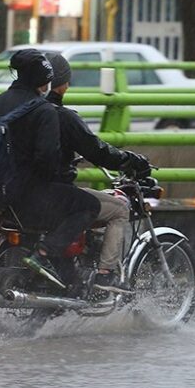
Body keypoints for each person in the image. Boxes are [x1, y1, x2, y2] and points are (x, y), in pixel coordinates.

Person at [0, 49, 100, 289]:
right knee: (89, 205)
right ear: (45, 80)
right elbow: (47, 161)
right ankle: (44, 253)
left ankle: (60, 277)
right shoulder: (44, 111)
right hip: (20, 195)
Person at [45, 53, 152, 294]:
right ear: (63, 85)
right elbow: (98, 151)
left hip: (19, 192)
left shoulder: (16, 110)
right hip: (52, 195)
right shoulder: (61, 116)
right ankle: (105, 275)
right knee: (118, 209)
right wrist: (131, 160)